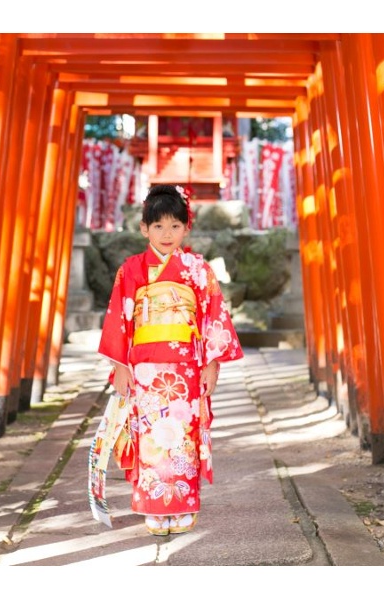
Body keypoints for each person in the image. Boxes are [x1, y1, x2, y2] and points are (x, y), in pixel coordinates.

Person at [98, 184, 244, 536]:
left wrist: (211, 364)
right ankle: (154, 504)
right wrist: (120, 366)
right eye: (158, 226)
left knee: (182, 436)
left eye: (175, 226)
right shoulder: (131, 269)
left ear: (186, 228)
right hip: (146, 367)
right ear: (144, 228)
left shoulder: (197, 269)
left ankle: (182, 503)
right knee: (150, 435)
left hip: (186, 367)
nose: (167, 234)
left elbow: (212, 316)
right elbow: (120, 317)